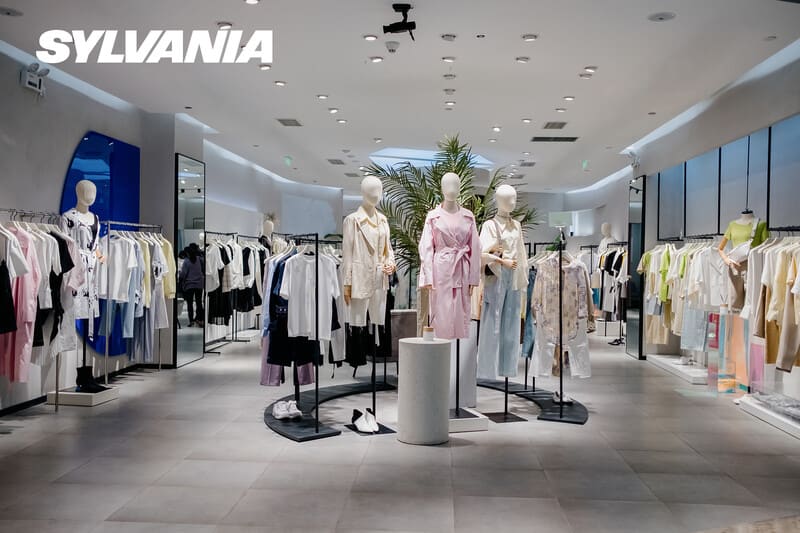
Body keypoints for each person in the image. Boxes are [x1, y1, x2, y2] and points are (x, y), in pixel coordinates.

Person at [179, 243, 204, 326]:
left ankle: (191, 321)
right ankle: (199, 319)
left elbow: (183, 274)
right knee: (199, 303)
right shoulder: (199, 259)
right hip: (199, 284)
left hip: (189, 285)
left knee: (190, 304)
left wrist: (180, 280)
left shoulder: (186, 261)